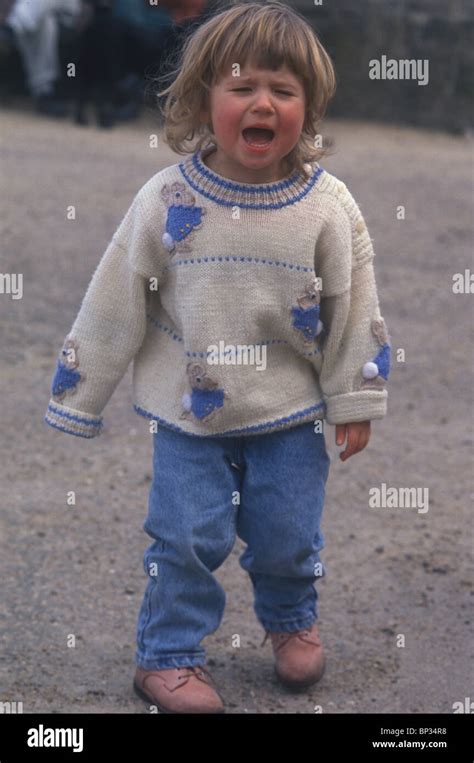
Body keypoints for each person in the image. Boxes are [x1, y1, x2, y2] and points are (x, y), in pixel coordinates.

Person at [43, 1, 392, 714]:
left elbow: (353, 307)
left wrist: (355, 400)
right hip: (188, 415)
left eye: (284, 90)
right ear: (205, 98)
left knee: (290, 538)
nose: (263, 102)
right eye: (242, 87)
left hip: (290, 413)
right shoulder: (165, 198)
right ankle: (167, 656)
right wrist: (79, 394)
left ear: (309, 106)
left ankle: (291, 620)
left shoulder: (328, 207)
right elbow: (116, 299)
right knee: (185, 537)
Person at [1, 0, 82, 115]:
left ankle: (15, 24)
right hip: (40, 15)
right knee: (47, 24)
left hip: (71, 11)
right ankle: (44, 92)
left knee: (30, 17)